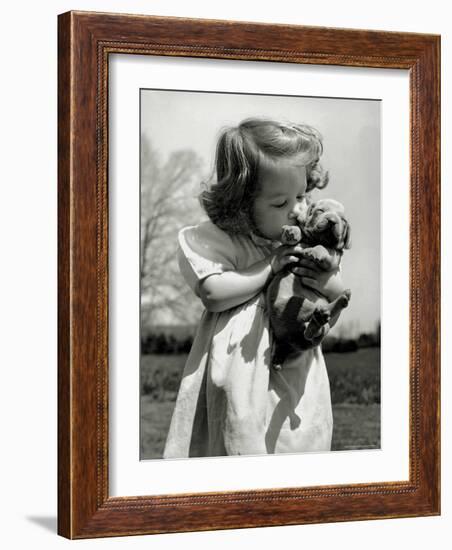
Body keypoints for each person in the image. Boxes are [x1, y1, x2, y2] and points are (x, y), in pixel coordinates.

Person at [163, 118, 346, 458]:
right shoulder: (225, 241)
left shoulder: (306, 241)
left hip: (294, 369)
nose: (296, 210)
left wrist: (321, 281)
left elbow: (337, 292)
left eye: (302, 195)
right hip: (240, 372)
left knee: (295, 443)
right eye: (280, 204)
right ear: (241, 204)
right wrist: (270, 265)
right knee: (237, 439)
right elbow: (213, 294)